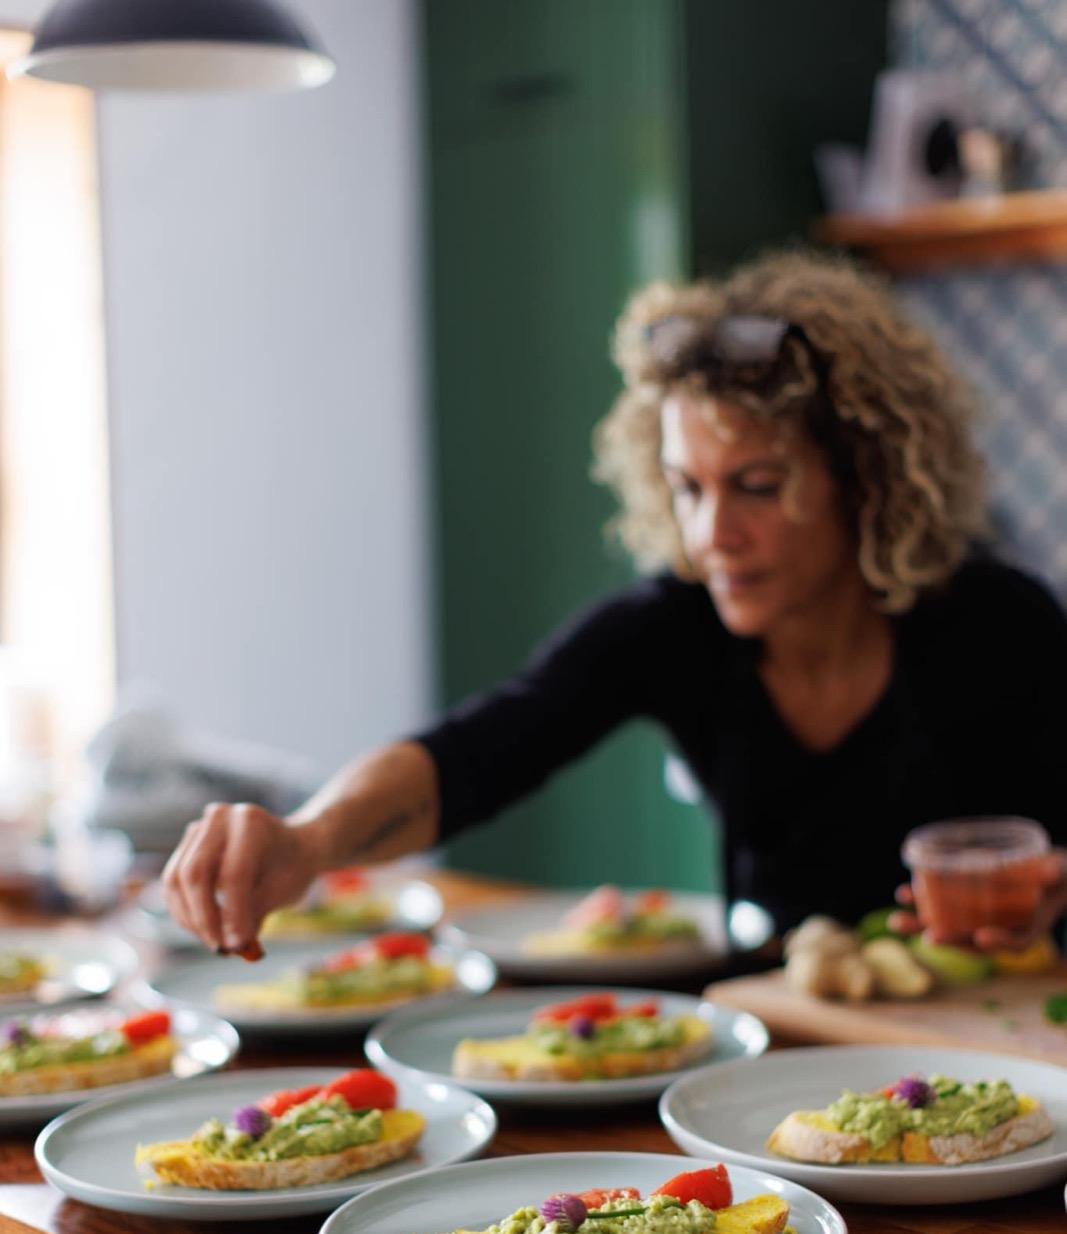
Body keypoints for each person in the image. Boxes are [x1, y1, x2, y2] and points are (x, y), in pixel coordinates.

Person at [162, 247, 1067, 954]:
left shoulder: (999, 626)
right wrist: (310, 841)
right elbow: (487, 744)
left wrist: (1050, 890)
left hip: (994, 1025)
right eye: (688, 488)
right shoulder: (674, 624)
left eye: (756, 485)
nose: (713, 533)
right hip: (781, 1028)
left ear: (863, 483)